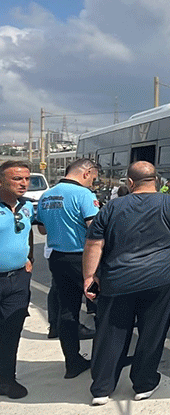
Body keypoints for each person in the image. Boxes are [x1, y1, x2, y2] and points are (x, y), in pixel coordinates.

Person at [83, 161, 170, 405]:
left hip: (119, 279)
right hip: (163, 277)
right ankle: (143, 384)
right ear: (156, 180)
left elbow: (94, 244)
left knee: (112, 332)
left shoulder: (113, 207)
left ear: (130, 183)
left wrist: (90, 277)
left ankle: (101, 389)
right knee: (152, 332)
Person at [34, 158, 101, 379]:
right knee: (101, 304)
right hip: (83, 260)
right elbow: (95, 230)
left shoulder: (46, 195)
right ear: (86, 172)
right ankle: (104, 360)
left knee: (67, 310)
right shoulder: (84, 195)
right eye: (93, 177)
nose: (93, 182)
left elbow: (42, 230)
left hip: (57, 259)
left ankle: (72, 362)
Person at [0, 160, 35, 399]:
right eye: (17, 179)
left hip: (18, 282)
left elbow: (30, 231)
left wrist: (29, 256)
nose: (23, 183)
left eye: (26, 179)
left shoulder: (27, 206)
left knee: (11, 332)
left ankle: (6, 380)